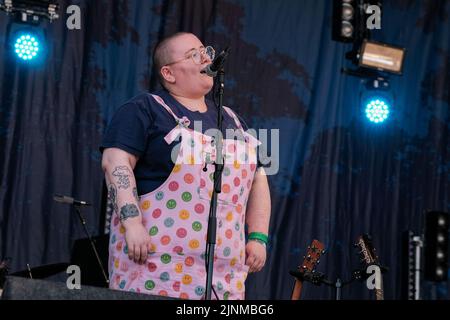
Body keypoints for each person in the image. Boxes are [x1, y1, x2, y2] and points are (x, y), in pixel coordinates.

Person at [100, 32, 271, 300]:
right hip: (157, 270)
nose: (205, 57)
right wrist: (132, 223)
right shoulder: (146, 109)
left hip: (224, 278)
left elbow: (259, 177)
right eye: (193, 54)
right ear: (169, 73)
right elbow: (115, 162)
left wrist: (258, 237)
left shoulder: (234, 121)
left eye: (205, 51)